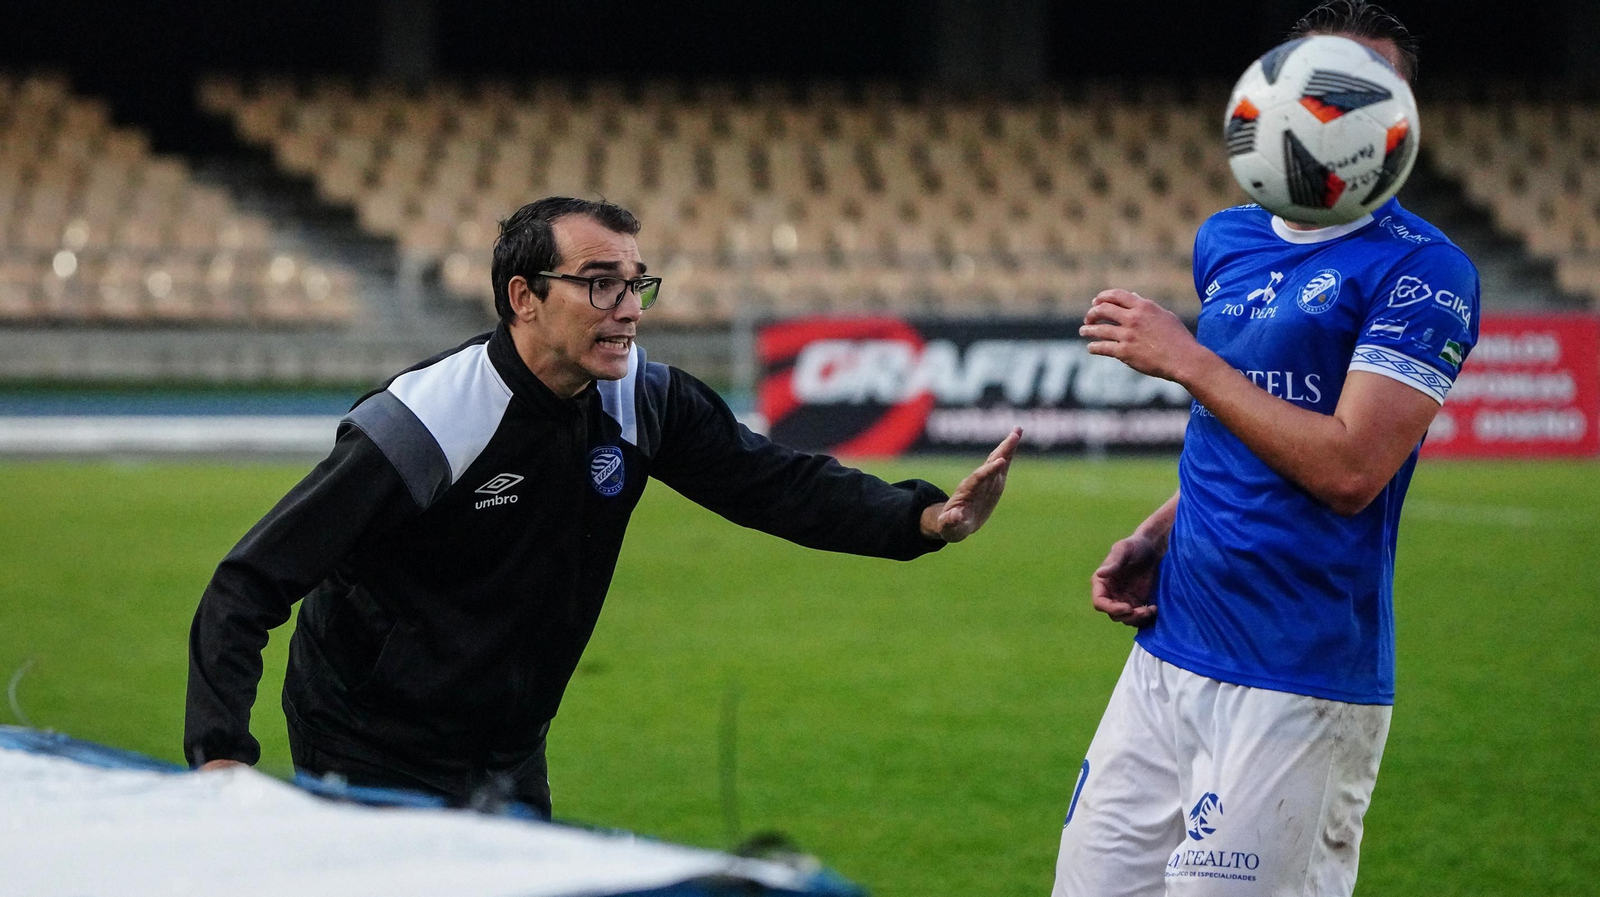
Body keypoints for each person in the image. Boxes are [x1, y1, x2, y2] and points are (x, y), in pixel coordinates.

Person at [186, 196, 1022, 817]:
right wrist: (221, 756)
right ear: (523, 297)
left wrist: (921, 518)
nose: (627, 308)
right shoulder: (430, 422)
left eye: (636, 284)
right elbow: (248, 581)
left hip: (509, 738)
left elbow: (775, 483)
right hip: (367, 733)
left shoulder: (643, 400)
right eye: (598, 284)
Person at [1052, 3, 1477, 895]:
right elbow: (1249, 420)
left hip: (1297, 678)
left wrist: (1189, 359)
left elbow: (1353, 467)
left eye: (1372, 88)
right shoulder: (1229, 237)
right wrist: (1164, 529)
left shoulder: (1424, 271)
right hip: (1170, 654)